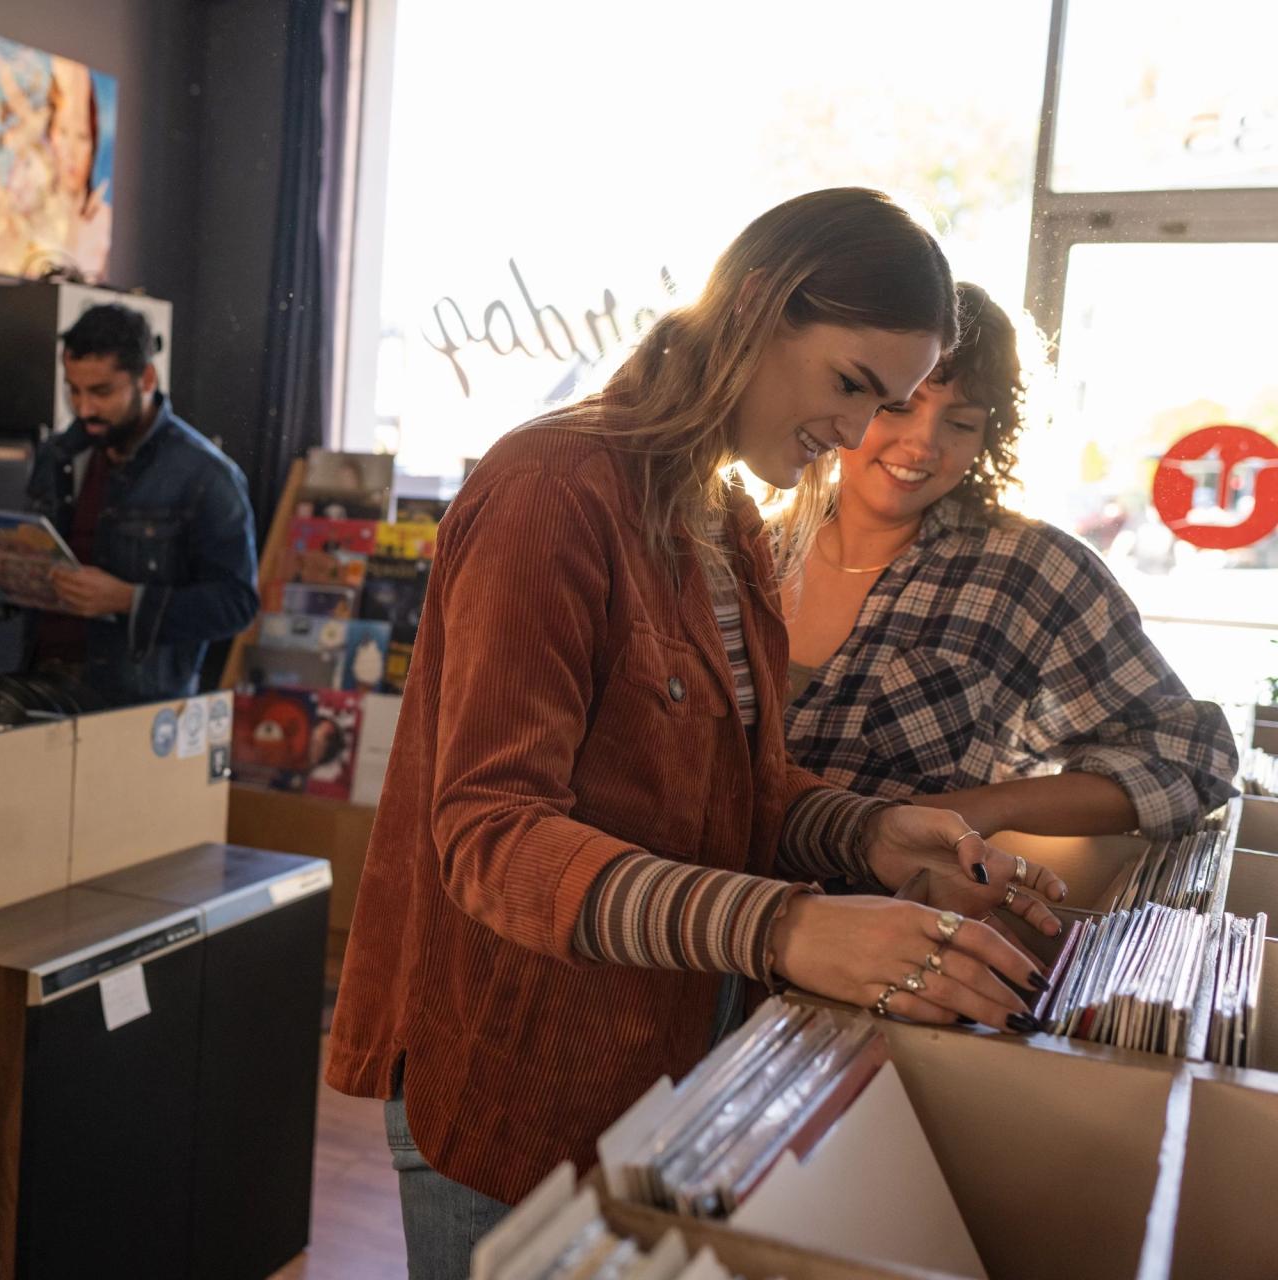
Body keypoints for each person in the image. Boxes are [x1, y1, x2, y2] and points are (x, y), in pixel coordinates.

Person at [324, 190, 1071, 1280]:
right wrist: (785, 927)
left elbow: (737, 792)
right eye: (852, 386)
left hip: (658, 1067)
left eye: (896, 402)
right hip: (515, 1077)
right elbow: (490, 834)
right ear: (755, 313)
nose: (861, 435)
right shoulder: (550, 489)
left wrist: (874, 836)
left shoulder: (720, 518)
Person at [781, 283, 1238, 838]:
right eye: (900, 408)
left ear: (989, 439)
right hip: (708, 914)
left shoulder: (1030, 569)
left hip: (899, 916)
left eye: (962, 422)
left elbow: (1190, 757)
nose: (924, 445)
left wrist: (978, 811)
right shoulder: (742, 549)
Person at [0, 304, 258, 708]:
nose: (84, 408)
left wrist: (128, 599)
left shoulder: (206, 474)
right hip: (39, 684)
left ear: (146, 379)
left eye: (101, 391)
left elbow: (237, 605)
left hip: (135, 706)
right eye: (73, 390)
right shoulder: (58, 453)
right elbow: (39, 580)